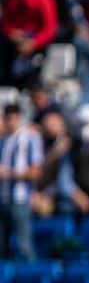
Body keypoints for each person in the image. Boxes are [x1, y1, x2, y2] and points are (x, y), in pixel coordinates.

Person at [0, 102, 42, 259]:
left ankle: (31, 280)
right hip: (2, 198)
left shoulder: (29, 138)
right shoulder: (3, 139)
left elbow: (36, 171)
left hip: (20, 198)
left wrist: (9, 174)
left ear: (18, 118)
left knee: (24, 246)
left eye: (12, 118)